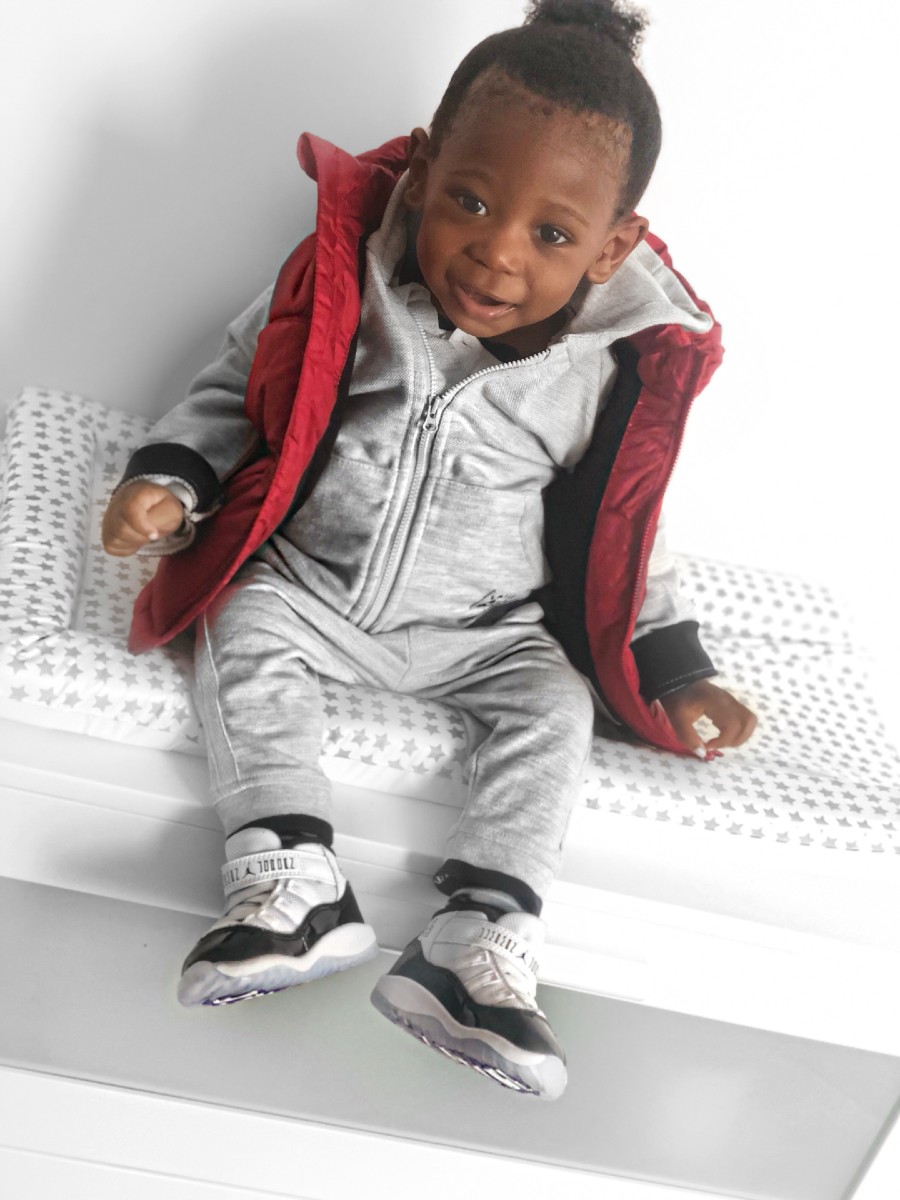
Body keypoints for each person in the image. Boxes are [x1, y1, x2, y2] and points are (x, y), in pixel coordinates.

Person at [101, 0, 756, 1101]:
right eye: (470, 201)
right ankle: (292, 876)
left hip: (483, 635)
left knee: (555, 706)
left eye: (552, 235)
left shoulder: (606, 371)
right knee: (236, 617)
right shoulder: (344, 282)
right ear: (420, 173)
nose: (496, 252)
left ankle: (477, 942)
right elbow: (236, 390)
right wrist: (168, 481)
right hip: (314, 588)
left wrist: (679, 670)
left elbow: (626, 531)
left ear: (613, 246)